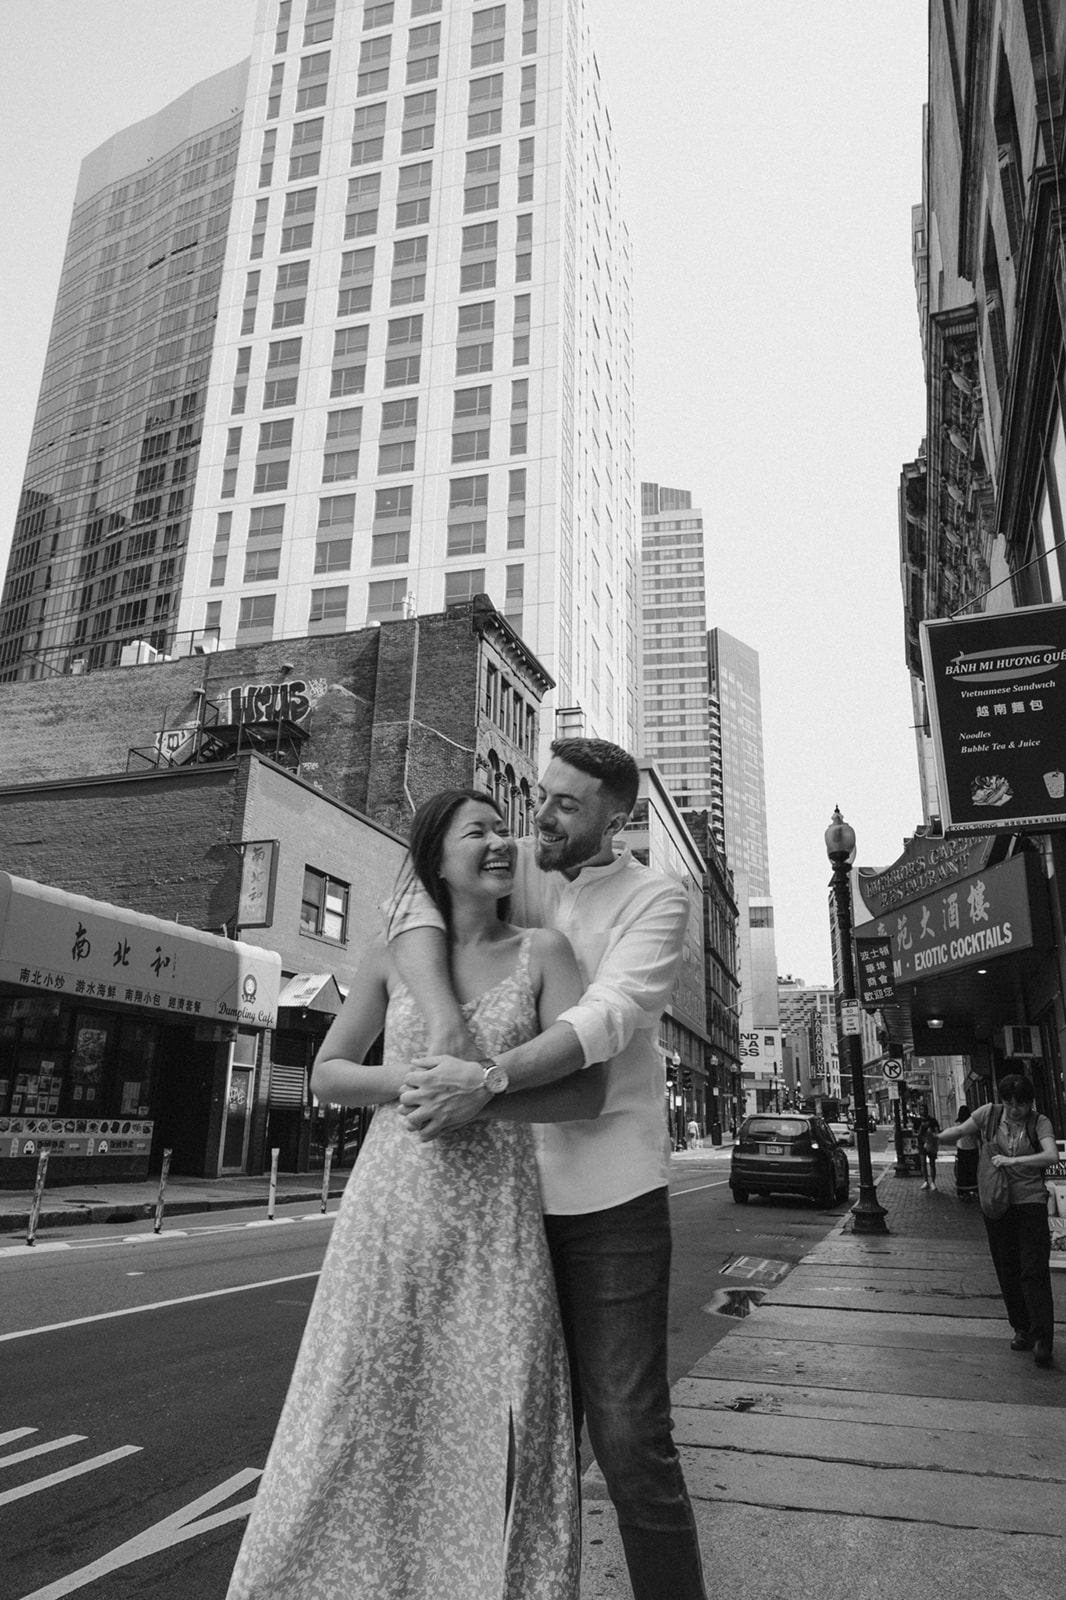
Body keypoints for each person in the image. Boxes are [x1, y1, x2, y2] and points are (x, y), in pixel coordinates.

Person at [226, 789, 606, 1600]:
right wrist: (419, 1081)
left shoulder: (547, 951)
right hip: (388, 1219)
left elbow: (586, 1092)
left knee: (497, 1419)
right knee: (356, 1411)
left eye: (507, 829)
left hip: (494, 1228)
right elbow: (330, 1070)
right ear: (437, 856)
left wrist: (481, 1091)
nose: (502, 843)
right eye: (480, 832)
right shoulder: (393, 956)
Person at [393, 738, 709, 1600]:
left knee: (628, 1433)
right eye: (543, 797)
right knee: (513, 1438)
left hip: (612, 1198)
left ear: (619, 815)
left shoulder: (658, 897)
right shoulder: (521, 863)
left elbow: (607, 1019)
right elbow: (414, 902)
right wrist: (445, 1027)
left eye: (566, 805)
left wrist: (484, 1080)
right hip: (503, 1200)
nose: (542, 819)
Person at [936, 1075, 1059, 1368]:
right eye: (1009, 1103)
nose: (1014, 1109)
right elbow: (961, 1130)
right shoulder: (989, 1114)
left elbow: (1051, 1155)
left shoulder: (1039, 1122)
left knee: (1034, 1269)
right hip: (997, 1205)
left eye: (1021, 1104)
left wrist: (1014, 1162)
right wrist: (936, 1138)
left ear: (1031, 1102)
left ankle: (1043, 1338)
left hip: (1030, 1203)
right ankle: (1021, 1329)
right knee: (1007, 1268)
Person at [953, 1102, 979, 1201]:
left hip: (961, 1149)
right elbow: (976, 1136)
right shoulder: (972, 1124)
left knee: (963, 1172)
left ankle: (963, 1192)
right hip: (972, 1149)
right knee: (973, 1171)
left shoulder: (957, 1124)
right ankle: (974, 1191)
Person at [916, 1112, 941, 1191]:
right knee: (923, 1162)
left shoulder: (932, 1121)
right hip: (922, 1144)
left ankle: (932, 1182)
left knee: (932, 1163)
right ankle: (926, 1181)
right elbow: (916, 1133)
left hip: (931, 1144)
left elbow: (937, 1131)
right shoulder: (918, 1121)